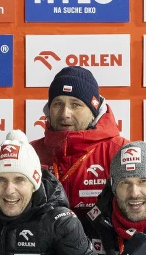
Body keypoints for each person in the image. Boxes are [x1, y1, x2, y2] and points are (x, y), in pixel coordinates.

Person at [34, 65, 127, 211]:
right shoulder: (30, 153)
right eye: (58, 104)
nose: (65, 113)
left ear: (93, 112)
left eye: (75, 104)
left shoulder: (121, 152)